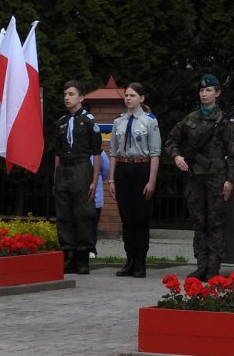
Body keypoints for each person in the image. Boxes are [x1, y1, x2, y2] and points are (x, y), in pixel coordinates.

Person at [164, 74, 234, 280]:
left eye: (209, 90)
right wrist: (177, 156)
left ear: (217, 93)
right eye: (201, 90)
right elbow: (171, 140)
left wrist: (230, 179)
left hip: (216, 179)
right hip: (195, 178)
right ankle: (201, 265)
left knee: (215, 222)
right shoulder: (190, 119)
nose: (204, 94)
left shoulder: (225, 121)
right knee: (199, 222)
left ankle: (213, 267)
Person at [108, 83, 161, 278]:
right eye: (126, 95)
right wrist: (111, 179)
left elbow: (155, 153)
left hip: (142, 168)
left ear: (142, 98)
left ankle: (140, 262)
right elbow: (113, 152)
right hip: (123, 168)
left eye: (132, 95)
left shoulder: (150, 121)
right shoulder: (118, 122)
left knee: (140, 218)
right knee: (127, 218)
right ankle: (129, 260)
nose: (128, 98)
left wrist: (151, 180)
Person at [54, 82, 102, 275]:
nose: (67, 97)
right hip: (64, 169)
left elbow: (97, 153)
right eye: (65, 94)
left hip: (82, 167)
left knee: (83, 214)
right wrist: (55, 177)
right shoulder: (61, 121)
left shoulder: (90, 121)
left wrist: (94, 180)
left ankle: (83, 258)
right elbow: (57, 153)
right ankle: (68, 256)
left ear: (81, 98)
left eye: (71, 94)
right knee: (64, 215)